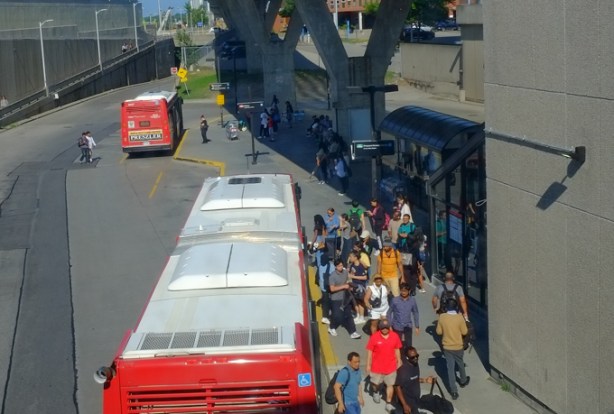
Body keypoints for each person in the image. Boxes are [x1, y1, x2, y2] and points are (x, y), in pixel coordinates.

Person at [365, 318, 402, 412]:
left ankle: (388, 403)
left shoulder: (395, 336)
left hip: (391, 367)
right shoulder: (374, 337)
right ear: (379, 328)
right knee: (375, 383)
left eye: (386, 327)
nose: (384, 329)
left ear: (389, 327)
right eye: (382, 328)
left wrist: (399, 359)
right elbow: (370, 351)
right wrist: (368, 365)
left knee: (390, 385)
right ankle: (376, 391)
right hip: (377, 367)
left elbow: (397, 349)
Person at [436, 297, 469, 400]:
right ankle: (463, 381)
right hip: (458, 346)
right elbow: (464, 332)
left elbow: (438, 332)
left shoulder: (442, 317)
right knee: (460, 364)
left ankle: (454, 392)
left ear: (446, 307)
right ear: (456, 307)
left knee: (450, 369)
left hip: (447, 347)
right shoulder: (459, 318)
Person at [394, 346, 435, 414]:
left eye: (417, 356)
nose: (415, 358)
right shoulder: (403, 371)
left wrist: (425, 380)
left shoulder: (415, 364)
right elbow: (397, 387)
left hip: (414, 401)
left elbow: (414, 378)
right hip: (406, 403)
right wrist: (404, 405)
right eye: (412, 357)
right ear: (407, 358)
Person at [328, 259, 361, 339]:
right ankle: (332, 327)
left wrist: (350, 286)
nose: (341, 267)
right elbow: (332, 289)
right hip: (336, 299)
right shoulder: (332, 276)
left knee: (349, 315)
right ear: (336, 267)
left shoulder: (345, 272)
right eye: (339, 266)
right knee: (337, 315)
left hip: (345, 297)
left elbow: (348, 280)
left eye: (342, 265)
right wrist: (343, 286)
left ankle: (353, 332)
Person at [312, 214, 331, 324]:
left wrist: (312, 244)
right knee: (322, 257)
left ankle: (320, 270)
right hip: (323, 243)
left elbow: (315, 236)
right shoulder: (324, 226)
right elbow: (325, 235)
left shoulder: (317, 227)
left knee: (319, 259)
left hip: (318, 243)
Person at [389, 283, 420, 351]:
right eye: (402, 291)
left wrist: (417, 326)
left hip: (408, 325)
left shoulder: (412, 300)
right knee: (397, 344)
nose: (403, 293)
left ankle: (408, 358)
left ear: (409, 291)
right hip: (397, 325)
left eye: (405, 291)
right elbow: (389, 312)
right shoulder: (395, 300)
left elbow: (415, 312)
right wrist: (390, 325)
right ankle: (398, 358)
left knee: (409, 344)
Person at [347, 251, 368, 324]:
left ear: (355, 257)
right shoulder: (352, 265)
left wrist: (353, 276)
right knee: (355, 301)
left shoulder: (361, 266)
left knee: (360, 302)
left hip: (360, 287)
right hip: (354, 285)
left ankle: (362, 317)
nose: (349, 258)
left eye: (351, 257)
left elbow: (365, 277)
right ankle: (358, 315)